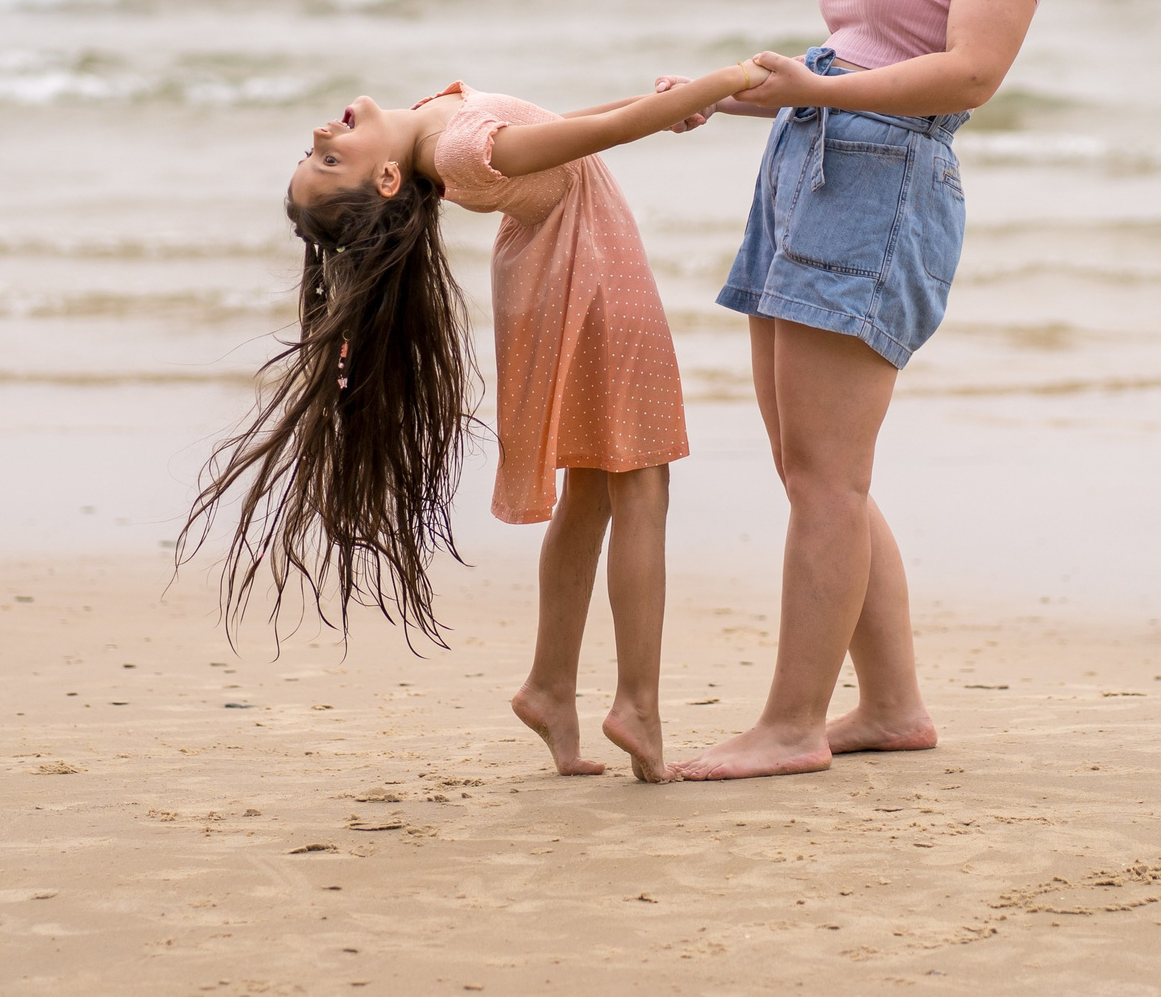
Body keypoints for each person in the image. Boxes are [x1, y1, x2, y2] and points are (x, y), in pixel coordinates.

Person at [672, 0, 1077, 781]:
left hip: (884, 186)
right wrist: (730, 94)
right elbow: (853, 58)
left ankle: (792, 723)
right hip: (812, 173)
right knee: (812, 469)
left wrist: (820, 90)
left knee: (827, 477)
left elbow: (968, 74)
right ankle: (891, 706)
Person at [177, 60, 771, 783]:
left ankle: (551, 687)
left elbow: (568, 131)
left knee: (594, 486)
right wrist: (731, 76)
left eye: (314, 155)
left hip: (563, 282)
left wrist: (663, 102)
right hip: (592, 287)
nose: (318, 134)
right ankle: (636, 706)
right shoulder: (456, 150)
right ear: (388, 181)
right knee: (643, 485)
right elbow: (607, 135)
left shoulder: (440, 129)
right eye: (329, 159)